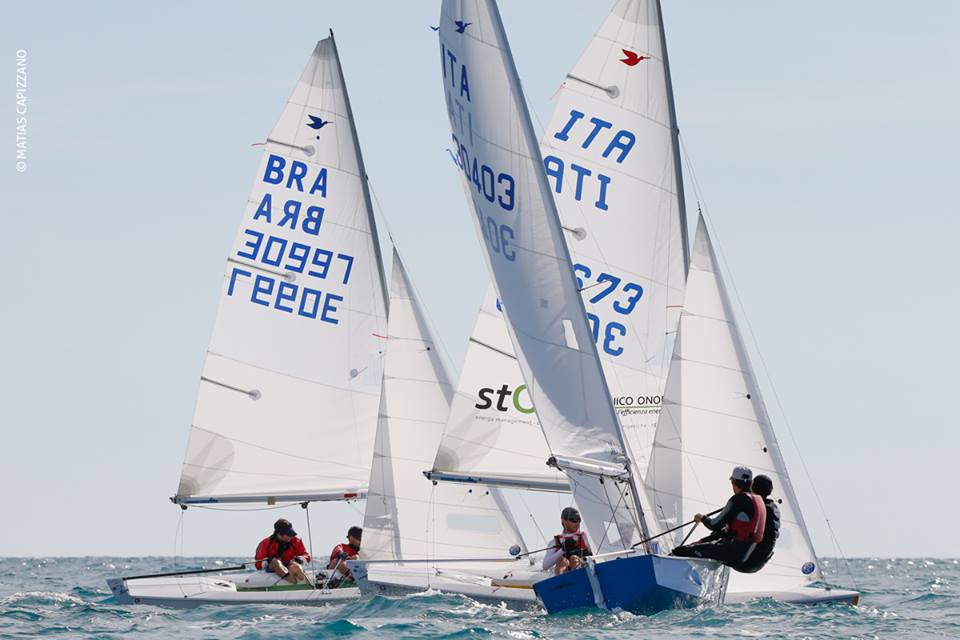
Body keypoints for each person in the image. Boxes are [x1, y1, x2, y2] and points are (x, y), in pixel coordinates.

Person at [671, 465, 766, 571]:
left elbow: (714, 525)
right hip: (742, 556)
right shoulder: (759, 501)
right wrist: (703, 541)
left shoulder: (738, 500)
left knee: (682, 551)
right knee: (702, 548)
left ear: (733, 482)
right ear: (751, 483)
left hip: (730, 551)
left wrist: (702, 518)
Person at [738, 474, 780, 573]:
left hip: (746, 561)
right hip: (760, 563)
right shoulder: (773, 508)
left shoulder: (756, 507)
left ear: (753, 486)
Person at [254, 518, 311, 583]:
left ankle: (303, 582)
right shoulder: (266, 543)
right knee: (276, 562)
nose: (291, 536)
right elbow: (258, 564)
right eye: (289, 534)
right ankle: (292, 581)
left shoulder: (296, 541)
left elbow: (307, 556)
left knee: (295, 566)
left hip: (289, 564)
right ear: (279, 534)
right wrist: (266, 562)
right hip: (273, 567)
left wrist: (301, 559)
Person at [542, 506, 592, 576]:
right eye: (573, 519)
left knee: (573, 559)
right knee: (561, 561)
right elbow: (545, 566)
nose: (577, 522)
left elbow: (596, 558)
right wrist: (562, 550)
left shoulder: (585, 537)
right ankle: (562, 581)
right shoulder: (554, 542)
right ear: (564, 521)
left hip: (584, 573)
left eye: (578, 519)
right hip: (565, 573)